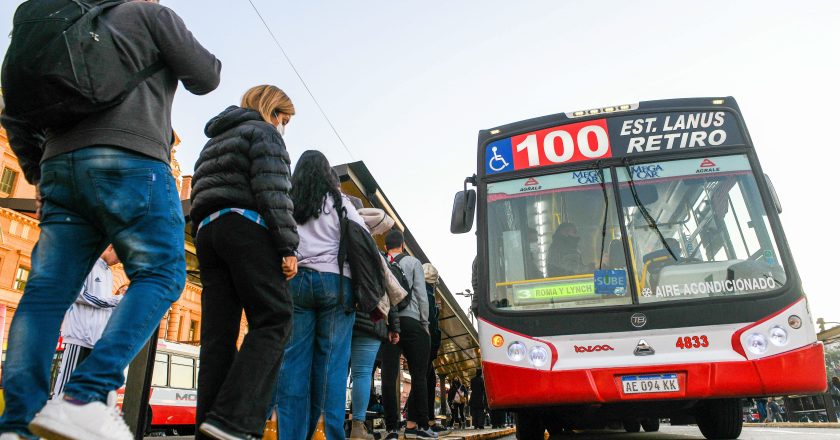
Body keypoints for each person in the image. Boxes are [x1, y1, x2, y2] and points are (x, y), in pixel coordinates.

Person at [0, 2, 220, 439]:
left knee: (44, 294)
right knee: (161, 274)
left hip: (61, 167)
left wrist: (40, 177)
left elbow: (14, 111)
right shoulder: (146, 13)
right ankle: (85, 396)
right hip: (132, 161)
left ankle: (17, 423)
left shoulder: (53, 24)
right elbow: (206, 76)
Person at [190, 85, 298, 440]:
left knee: (217, 335)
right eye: (285, 118)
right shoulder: (264, 133)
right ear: (274, 111)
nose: (284, 126)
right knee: (275, 318)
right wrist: (287, 247)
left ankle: (210, 423)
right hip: (246, 227)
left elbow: (199, 193)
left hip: (207, 233)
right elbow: (274, 192)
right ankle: (232, 421)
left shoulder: (213, 142)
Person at [274, 150, 366, 440]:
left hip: (296, 281)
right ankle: (326, 433)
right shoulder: (340, 202)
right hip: (337, 286)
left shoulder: (290, 201)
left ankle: (288, 434)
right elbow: (362, 236)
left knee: (294, 361)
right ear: (328, 173)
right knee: (331, 364)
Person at [350, 208, 401, 440]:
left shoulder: (342, 240)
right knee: (362, 374)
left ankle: (326, 424)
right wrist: (394, 327)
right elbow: (392, 294)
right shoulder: (377, 254)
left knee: (339, 369)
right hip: (372, 318)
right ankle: (357, 428)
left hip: (347, 314)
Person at [381, 229, 435, 439]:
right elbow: (422, 295)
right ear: (402, 245)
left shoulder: (382, 261)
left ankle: (392, 428)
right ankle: (421, 427)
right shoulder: (413, 263)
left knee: (388, 375)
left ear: (386, 246)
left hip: (388, 322)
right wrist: (425, 323)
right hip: (412, 321)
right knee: (419, 375)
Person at [52, 246, 122, 398]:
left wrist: (118, 306)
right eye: (120, 254)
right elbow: (78, 295)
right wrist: (114, 301)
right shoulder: (86, 264)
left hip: (94, 339)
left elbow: (104, 305)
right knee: (67, 382)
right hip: (79, 335)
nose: (119, 260)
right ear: (110, 247)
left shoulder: (108, 272)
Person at [421, 263, 449, 435]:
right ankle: (424, 422)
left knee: (426, 380)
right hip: (426, 344)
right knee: (426, 381)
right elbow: (431, 324)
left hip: (422, 343)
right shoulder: (428, 295)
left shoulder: (419, 291)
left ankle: (426, 420)